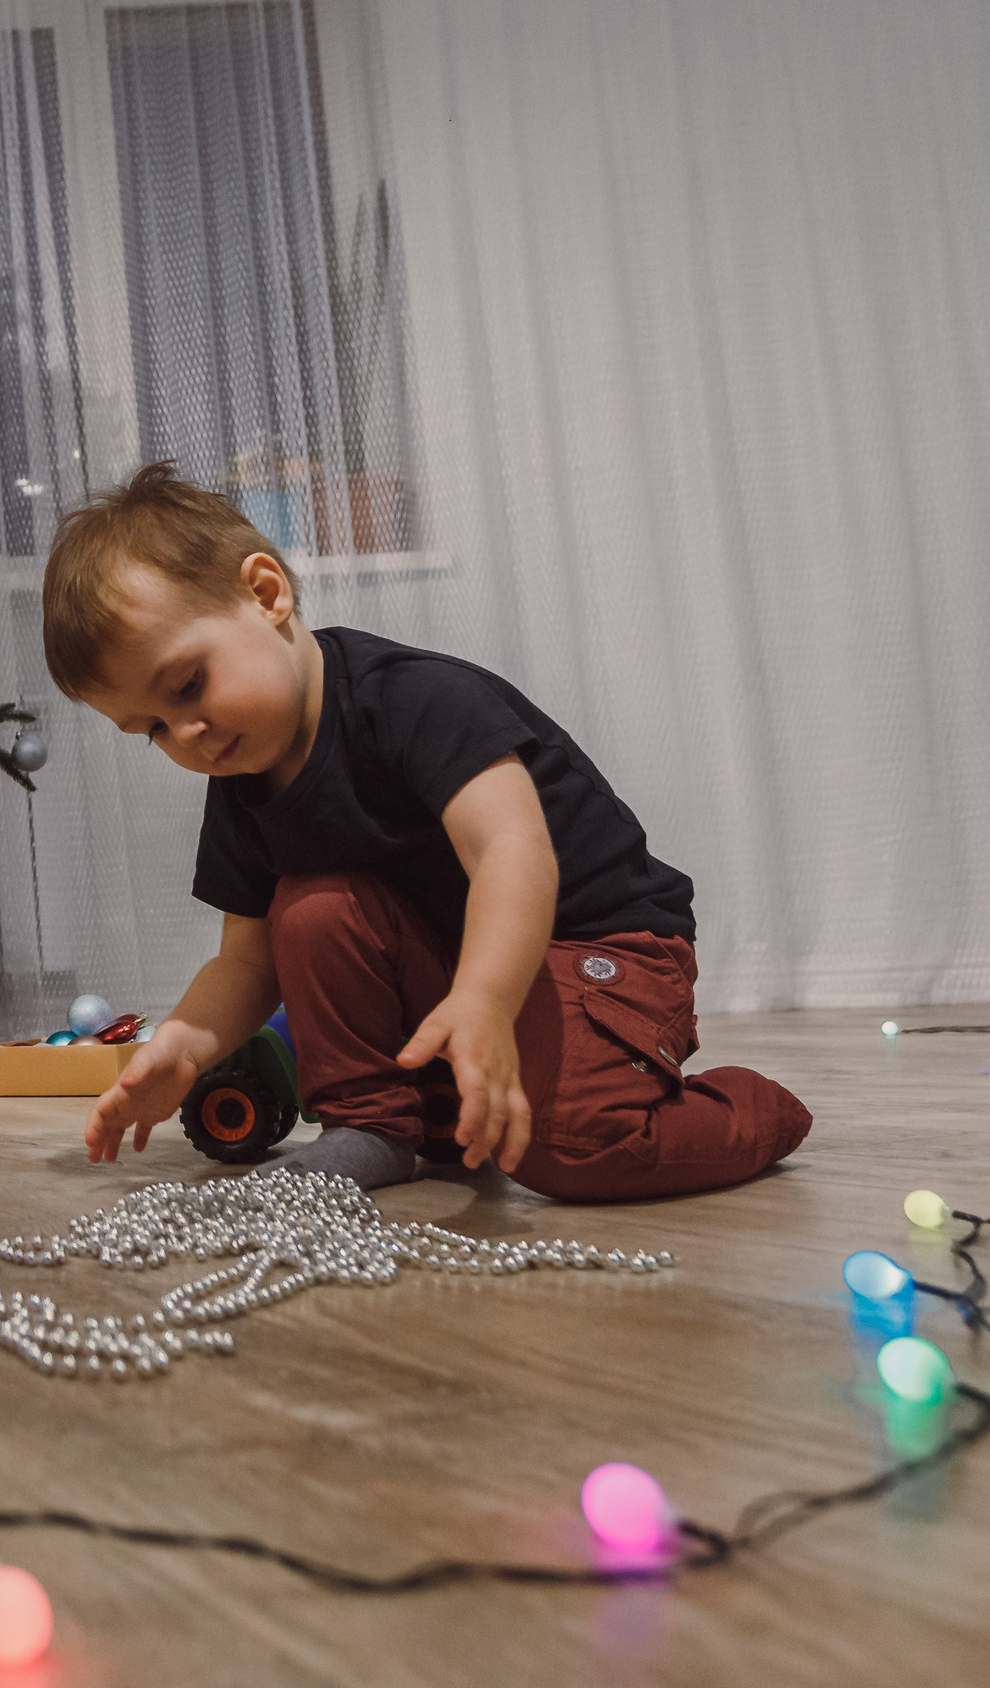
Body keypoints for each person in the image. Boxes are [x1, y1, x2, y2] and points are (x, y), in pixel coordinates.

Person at [42, 463, 810, 1200]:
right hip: (464, 967)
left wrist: (482, 996)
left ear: (266, 593)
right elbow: (247, 962)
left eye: (187, 685)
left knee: (563, 1146)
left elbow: (512, 854)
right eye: (151, 729)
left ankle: (752, 1109)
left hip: (606, 945)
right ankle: (375, 1123)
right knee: (307, 910)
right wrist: (182, 1045)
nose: (188, 733)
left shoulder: (414, 701)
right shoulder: (241, 784)